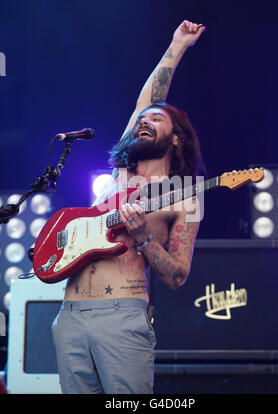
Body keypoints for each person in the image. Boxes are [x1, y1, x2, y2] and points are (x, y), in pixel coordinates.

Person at [52, 20, 206, 394]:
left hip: (122, 314)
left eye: (157, 118)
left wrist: (143, 239)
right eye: (142, 119)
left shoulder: (185, 197)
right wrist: (175, 45)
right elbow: (144, 101)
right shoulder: (121, 173)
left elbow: (177, 277)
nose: (144, 120)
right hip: (68, 316)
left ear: (177, 140)